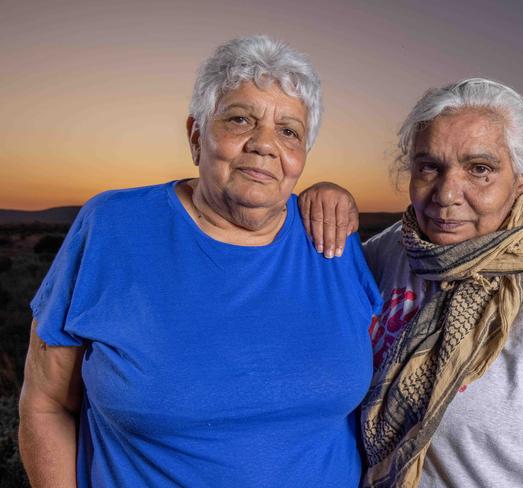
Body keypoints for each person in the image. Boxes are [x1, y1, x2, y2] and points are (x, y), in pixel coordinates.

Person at [18, 35, 381, 488]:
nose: (264, 144)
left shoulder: (332, 240)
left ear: (301, 155)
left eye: (289, 131)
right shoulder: (112, 227)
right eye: (240, 119)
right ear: (196, 135)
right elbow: (46, 403)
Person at [300, 78, 523, 487]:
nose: (447, 194)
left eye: (480, 169)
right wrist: (320, 198)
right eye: (429, 166)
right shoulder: (395, 252)